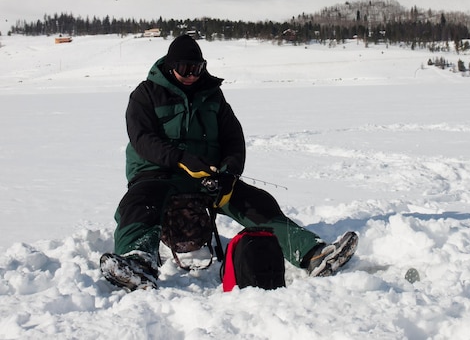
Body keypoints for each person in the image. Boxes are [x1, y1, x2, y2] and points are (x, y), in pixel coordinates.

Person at [100, 35, 358, 290]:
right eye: (184, 69)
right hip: (158, 173)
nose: (192, 75)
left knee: (255, 202)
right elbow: (142, 139)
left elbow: (233, 139)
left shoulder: (213, 97)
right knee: (140, 201)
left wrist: (229, 173)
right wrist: (181, 159)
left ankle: (312, 253)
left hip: (205, 177)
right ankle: (137, 262)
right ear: (170, 66)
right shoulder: (146, 93)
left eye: (197, 68)